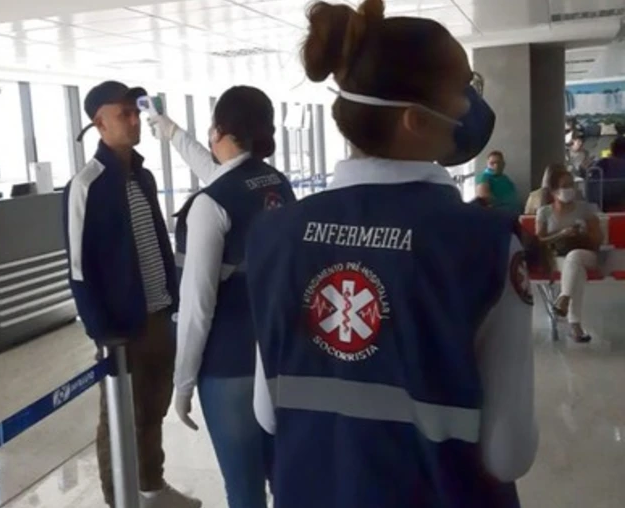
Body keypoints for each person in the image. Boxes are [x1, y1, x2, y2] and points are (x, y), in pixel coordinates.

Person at [246, 1, 538, 507]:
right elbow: (507, 454)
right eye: (461, 90)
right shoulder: (485, 244)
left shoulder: (274, 235)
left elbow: (268, 412)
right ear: (413, 121)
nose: (469, 107)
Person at [149, 87, 296, 508]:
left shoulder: (210, 205)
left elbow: (197, 305)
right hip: (280, 356)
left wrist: (183, 383)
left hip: (230, 367)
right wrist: (172, 131)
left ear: (219, 130)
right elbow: (221, 173)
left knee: (244, 490)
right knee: (281, 479)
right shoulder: (276, 184)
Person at [62, 82, 201, 508]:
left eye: (135, 111)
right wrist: (103, 332)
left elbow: (158, 242)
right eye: (124, 113)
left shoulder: (143, 176)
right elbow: (80, 270)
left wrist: (175, 302)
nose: (135, 119)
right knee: (120, 418)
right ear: (99, 122)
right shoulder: (86, 185)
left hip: (159, 314)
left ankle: (151, 485)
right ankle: (119, 498)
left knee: (154, 407)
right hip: (121, 328)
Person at [536, 170, 602, 343]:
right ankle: (575, 326)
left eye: (571, 185)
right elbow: (539, 240)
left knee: (574, 258)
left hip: (587, 254)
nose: (569, 189)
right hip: (558, 258)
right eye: (564, 186)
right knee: (575, 269)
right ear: (554, 191)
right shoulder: (544, 212)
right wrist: (561, 234)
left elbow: (598, 239)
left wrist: (585, 233)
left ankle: (564, 299)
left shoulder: (584, 208)